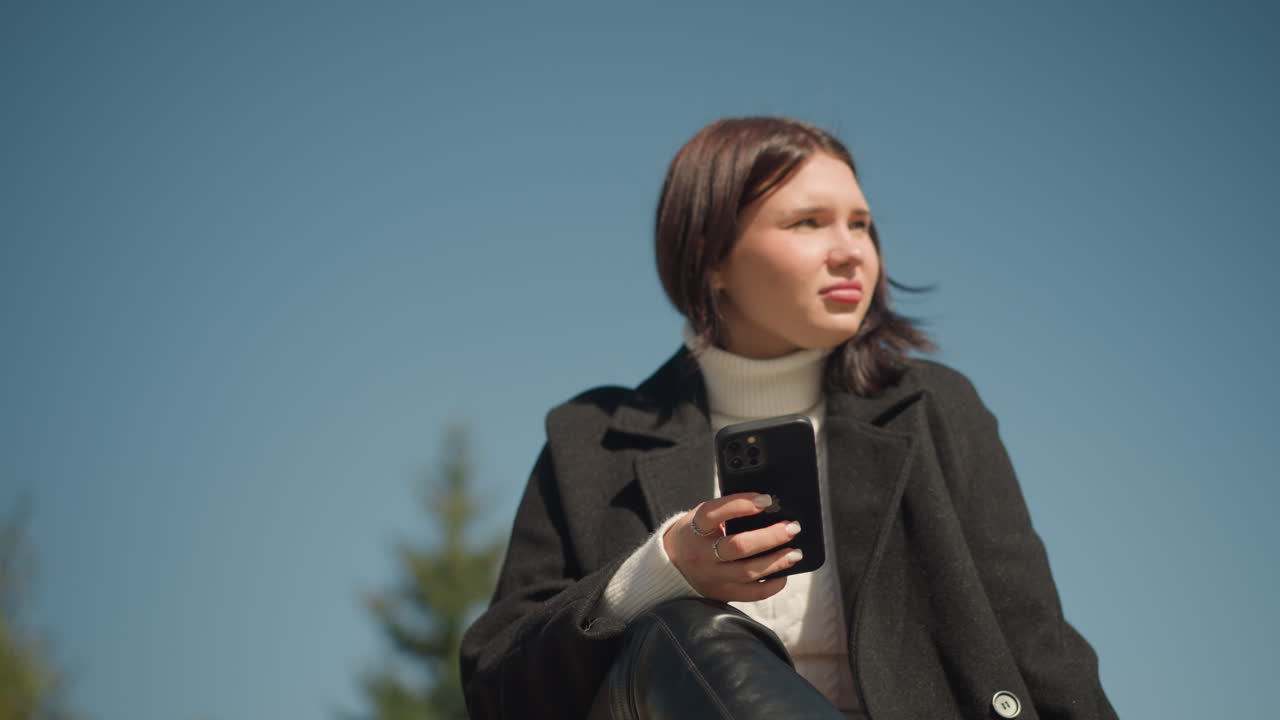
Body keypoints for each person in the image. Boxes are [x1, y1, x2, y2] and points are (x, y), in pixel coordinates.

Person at [459, 117, 1117, 720]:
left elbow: (1038, 641)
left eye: (861, 224)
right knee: (688, 630)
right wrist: (660, 571)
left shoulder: (933, 407)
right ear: (712, 258)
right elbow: (497, 686)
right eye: (808, 223)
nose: (851, 251)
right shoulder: (590, 439)